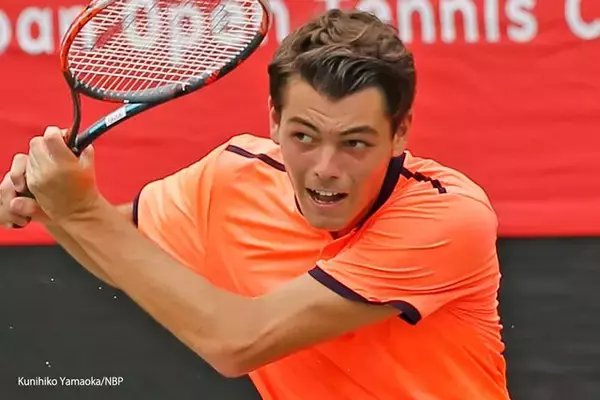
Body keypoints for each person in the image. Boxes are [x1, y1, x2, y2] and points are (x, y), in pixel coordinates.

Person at [0, 9, 510, 399]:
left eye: (355, 143)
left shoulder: (447, 217)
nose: (325, 167)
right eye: (303, 136)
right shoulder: (233, 176)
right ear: (274, 120)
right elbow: (129, 255)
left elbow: (237, 342)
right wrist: (51, 207)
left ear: (400, 133)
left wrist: (79, 211)